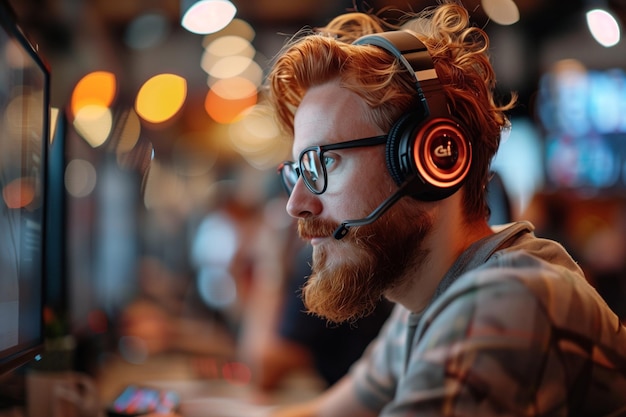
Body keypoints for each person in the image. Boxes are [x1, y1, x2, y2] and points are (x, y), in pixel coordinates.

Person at [263, 1, 626, 415]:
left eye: (324, 163)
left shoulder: (510, 298)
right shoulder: (426, 305)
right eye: (299, 171)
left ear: (431, 159)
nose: (296, 204)